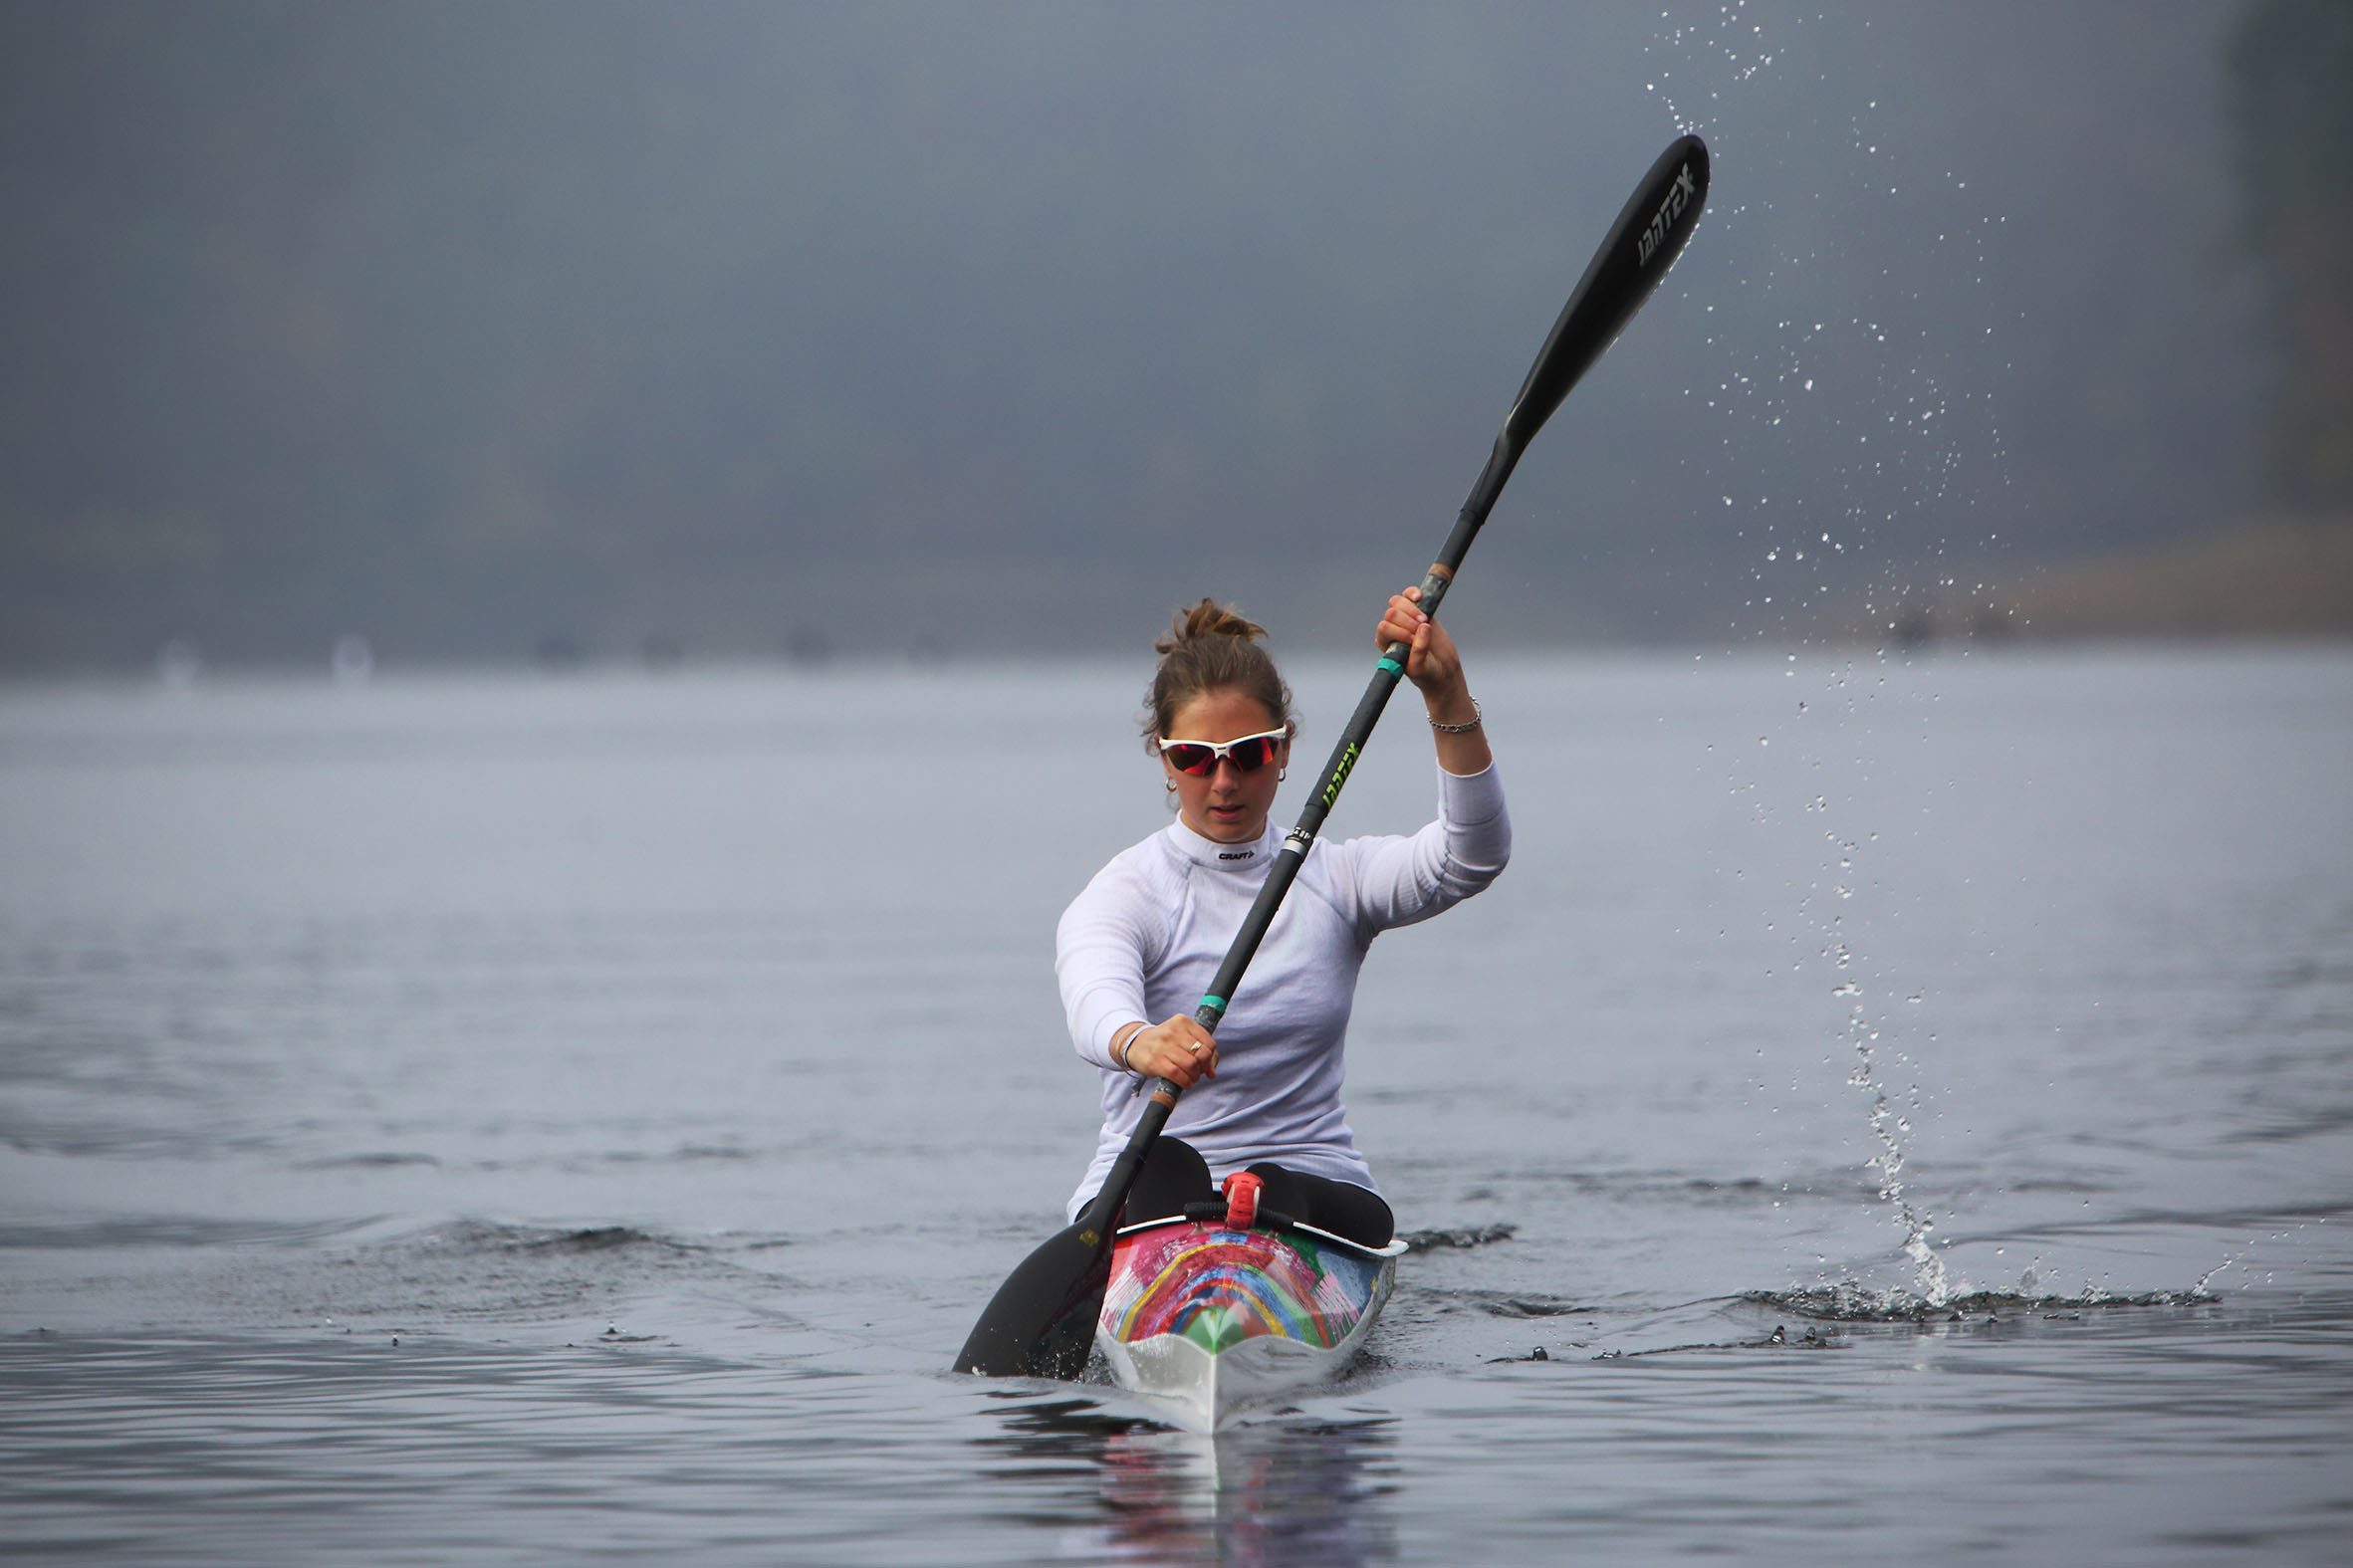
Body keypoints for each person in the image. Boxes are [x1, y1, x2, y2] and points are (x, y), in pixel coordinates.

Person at [1056, 588, 1511, 1247]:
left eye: (1247, 754)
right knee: (1166, 1167)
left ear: (1284, 749)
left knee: (1280, 1182)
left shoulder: (1336, 880)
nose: (1222, 781)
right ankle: (1212, 1223)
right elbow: (1092, 1000)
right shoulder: (1123, 893)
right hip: (1145, 1190)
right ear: (1164, 758)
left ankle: (1255, 1203)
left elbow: (1472, 855)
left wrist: (1447, 698)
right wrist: (1139, 1041)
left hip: (1309, 1184)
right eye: (1193, 758)